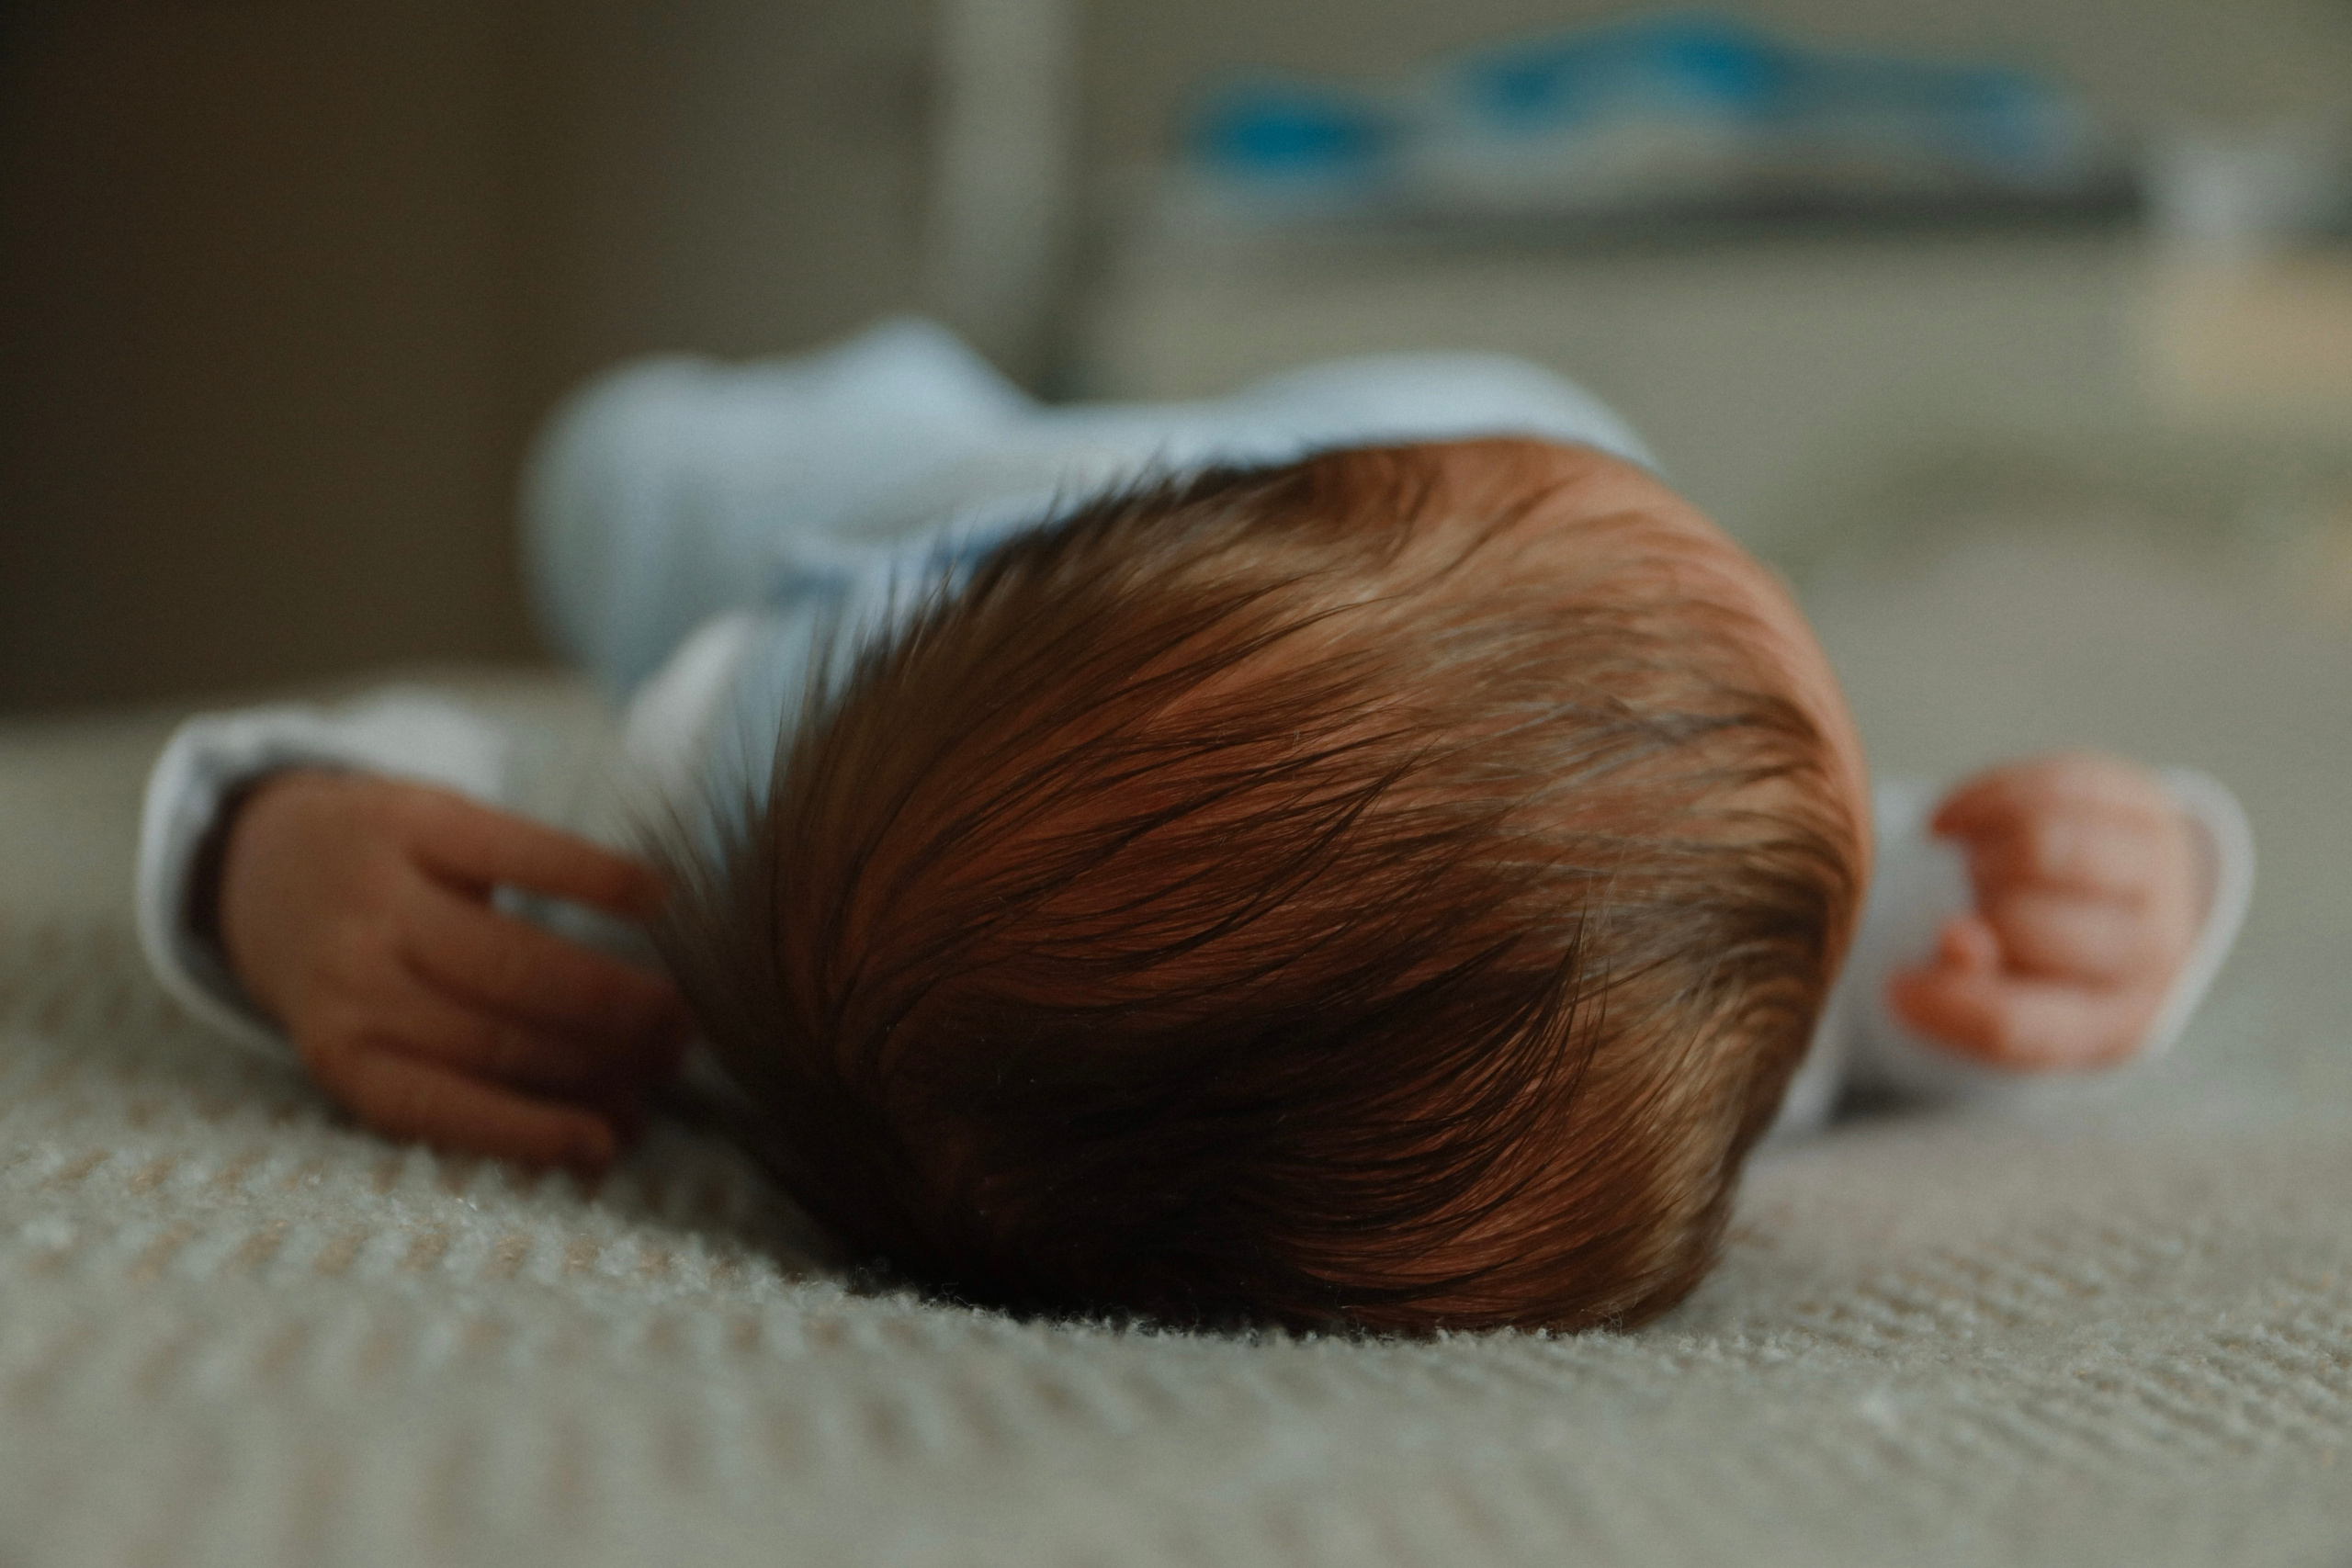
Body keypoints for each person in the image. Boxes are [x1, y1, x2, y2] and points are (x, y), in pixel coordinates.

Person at [134, 320, 2255, 1333]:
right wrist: (2114, 900)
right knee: (1534, 515)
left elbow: (410, 806)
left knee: (624, 469)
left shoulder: (695, 846)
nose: (1863, 818)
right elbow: (1911, 951)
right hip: (1331, 521)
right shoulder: (1700, 945)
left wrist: (270, 855)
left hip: (887, 546)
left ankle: (748, 435)